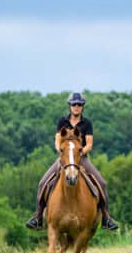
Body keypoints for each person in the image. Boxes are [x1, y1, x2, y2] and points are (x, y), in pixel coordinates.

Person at [25, 92, 119, 231]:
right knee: (42, 182)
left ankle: (106, 218)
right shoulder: (62, 121)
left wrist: (79, 152)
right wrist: (61, 150)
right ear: (69, 106)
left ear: (82, 107)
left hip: (81, 159)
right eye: (74, 104)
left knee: (102, 183)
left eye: (79, 105)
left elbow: (89, 144)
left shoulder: (87, 123)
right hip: (64, 159)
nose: (76, 107)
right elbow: (57, 139)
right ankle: (38, 217)